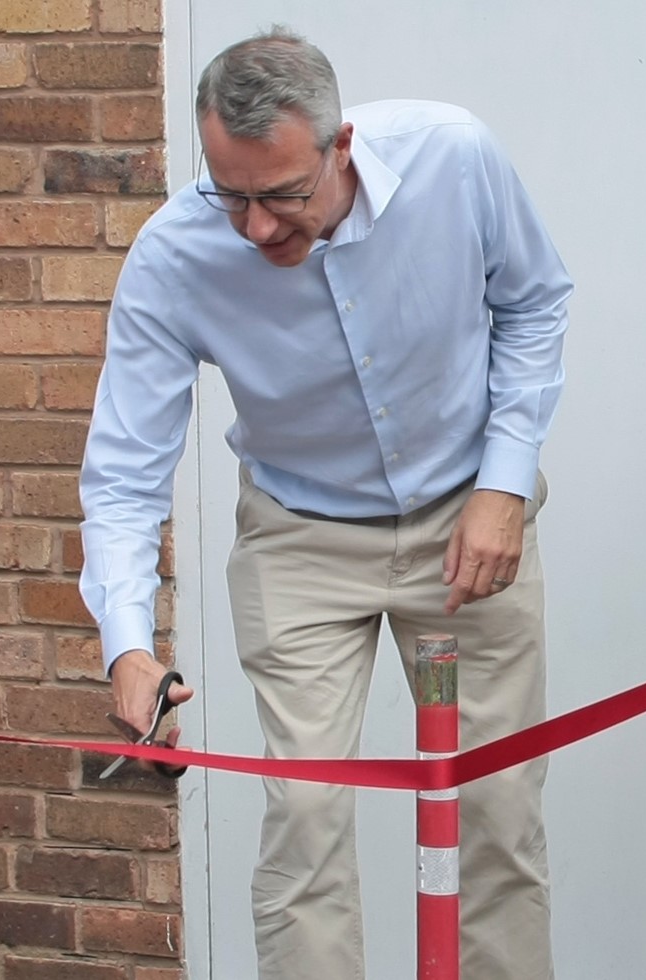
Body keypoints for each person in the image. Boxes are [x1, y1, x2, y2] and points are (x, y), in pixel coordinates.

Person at [78, 26, 570, 980]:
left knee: (497, 809)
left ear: (342, 146)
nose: (258, 228)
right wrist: (128, 648)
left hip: (469, 529)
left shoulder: (454, 158)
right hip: (300, 541)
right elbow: (127, 467)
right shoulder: (173, 257)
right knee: (305, 817)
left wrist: (505, 483)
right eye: (233, 195)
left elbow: (537, 301)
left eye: (284, 196)